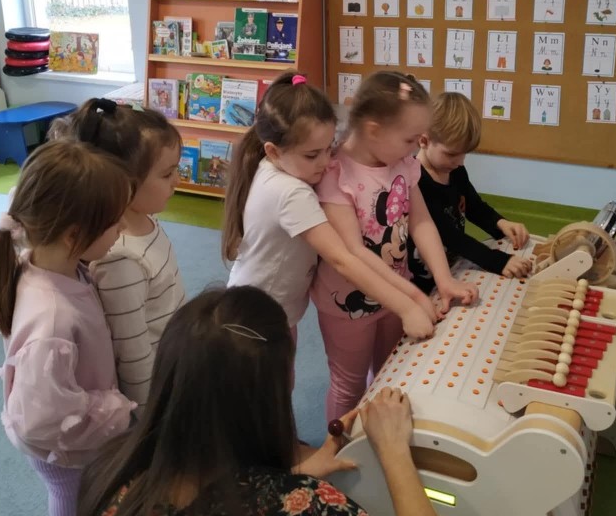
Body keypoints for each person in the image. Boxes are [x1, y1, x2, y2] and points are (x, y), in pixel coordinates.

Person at [73, 286, 461, 516]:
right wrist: (394, 452)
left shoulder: (112, 474)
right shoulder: (307, 513)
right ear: (279, 386)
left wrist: (296, 472)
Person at [0, 140, 136, 516]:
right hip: (64, 452)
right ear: (75, 235)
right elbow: (43, 420)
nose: (121, 232)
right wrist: (117, 410)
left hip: (74, 436)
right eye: (113, 224)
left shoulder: (51, 264)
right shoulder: (51, 316)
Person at [223, 73, 439, 359]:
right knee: (270, 384)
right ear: (273, 151)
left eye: (328, 148)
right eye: (312, 155)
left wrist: (411, 298)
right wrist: (409, 305)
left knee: (282, 379)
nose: (327, 162)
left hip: (271, 308)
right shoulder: (291, 193)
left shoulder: (280, 167)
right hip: (256, 315)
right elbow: (343, 258)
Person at [312, 72, 479, 421]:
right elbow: (354, 253)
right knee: (349, 385)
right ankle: (337, 447)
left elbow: (421, 222)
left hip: (396, 295)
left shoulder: (402, 162)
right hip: (348, 307)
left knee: (389, 373)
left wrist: (443, 280)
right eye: (409, 139)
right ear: (374, 130)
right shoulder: (336, 174)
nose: (416, 147)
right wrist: (412, 300)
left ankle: (377, 437)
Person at [51, 98, 186, 414]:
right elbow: (132, 352)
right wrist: (148, 414)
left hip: (174, 359)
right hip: (157, 388)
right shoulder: (120, 258)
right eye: (167, 174)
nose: (177, 182)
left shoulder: (145, 218)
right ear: (124, 183)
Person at [407, 92, 531, 292]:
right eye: (452, 154)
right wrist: (497, 261)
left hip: (452, 269)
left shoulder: (455, 170)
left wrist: (501, 223)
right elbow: (450, 236)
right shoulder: (417, 181)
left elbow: (474, 206)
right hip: (421, 281)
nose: (460, 161)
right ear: (424, 140)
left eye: (465, 154)